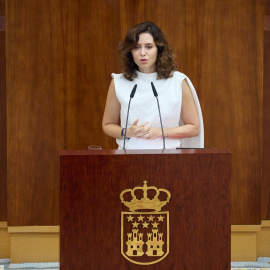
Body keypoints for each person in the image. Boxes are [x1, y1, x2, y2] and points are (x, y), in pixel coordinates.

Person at [102, 22, 204, 149]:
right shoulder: (119, 81)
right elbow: (108, 124)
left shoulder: (177, 81)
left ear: (159, 49)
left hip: (169, 159)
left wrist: (160, 132)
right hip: (128, 160)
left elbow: (194, 128)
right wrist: (128, 132)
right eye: (137, 47)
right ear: (130, 51)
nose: (142, 53)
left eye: (149, 47)